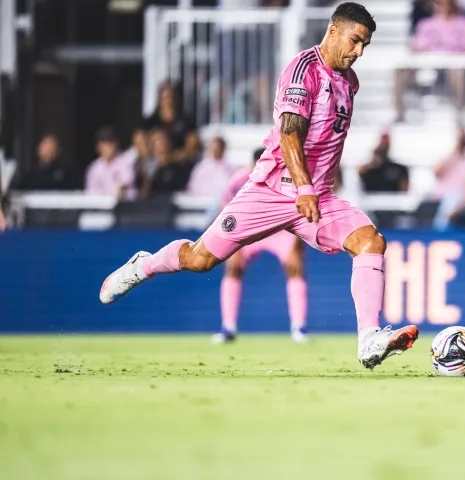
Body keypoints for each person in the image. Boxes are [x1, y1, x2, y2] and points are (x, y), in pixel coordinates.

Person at [99, 3, 419, 370]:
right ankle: (147, 264)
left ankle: (368, 339)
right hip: (273, 191)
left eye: (365, 45)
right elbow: (289, 134)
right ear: (333, 31)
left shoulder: (350, 82)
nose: (359, 52)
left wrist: (315, 188)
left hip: (316, 198)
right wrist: (303, 188)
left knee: (370, 242)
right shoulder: (303, 70)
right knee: (200, 259)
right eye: (355, 40)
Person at [212, 149, 309, 345]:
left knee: (295, 267)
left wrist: (298, 242)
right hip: (248, 228)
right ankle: (228, 327)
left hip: (281, 229)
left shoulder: (290, 176)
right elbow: (226, 209)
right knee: (233, 267)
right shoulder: (239, 179)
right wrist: (231, 241)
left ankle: (299, 327)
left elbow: (303, 209)